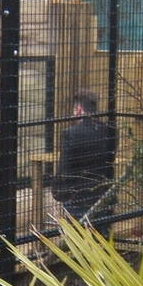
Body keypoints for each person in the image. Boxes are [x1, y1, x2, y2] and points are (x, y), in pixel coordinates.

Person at [51, 91, 117, 222]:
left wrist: (61, 190)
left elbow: (65, 167)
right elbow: (110, 159)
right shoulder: (110, 130)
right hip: (103, 192)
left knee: (78, 235)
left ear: (79, 109)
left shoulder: (71, 133)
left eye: (75, 109)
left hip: (78, 196)